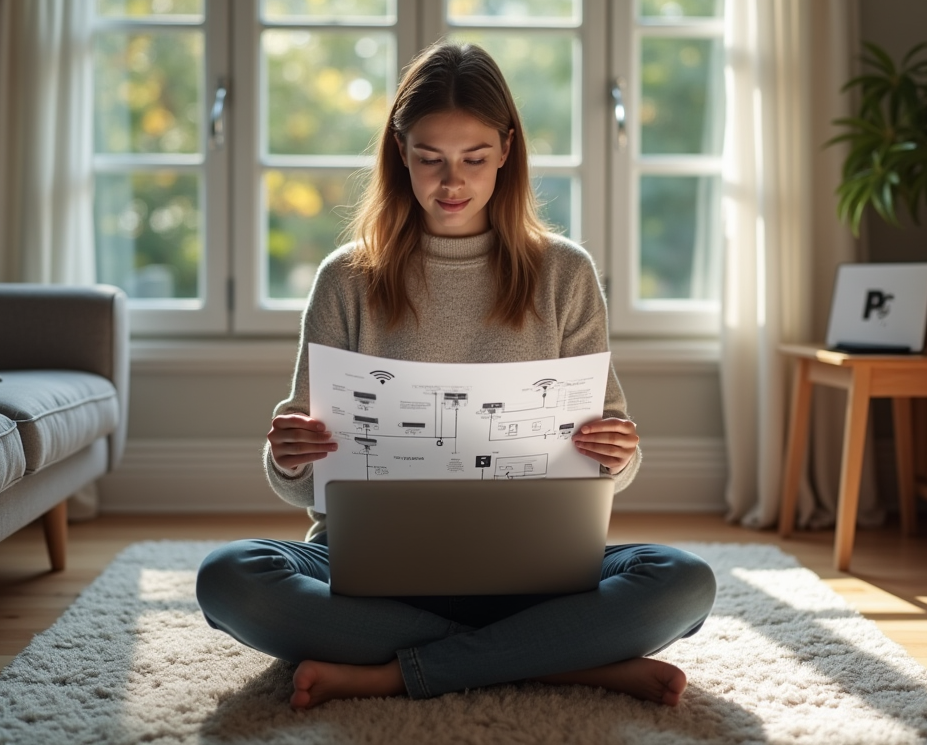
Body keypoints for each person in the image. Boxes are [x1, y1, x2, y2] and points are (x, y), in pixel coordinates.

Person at [195, 41, 717, 711]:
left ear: (506, 148)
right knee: (229, 579)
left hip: (534, 570)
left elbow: (611, 457)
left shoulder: (566, 273)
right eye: (429, 159)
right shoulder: (346, 278)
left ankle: (394, 670)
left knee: (683, 580)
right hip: (373, 569)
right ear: (399, 149)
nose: (452, 182)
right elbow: (299, 481)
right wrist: (288, 454)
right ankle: (559, 658)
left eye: (473, 158)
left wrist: (617, 453)